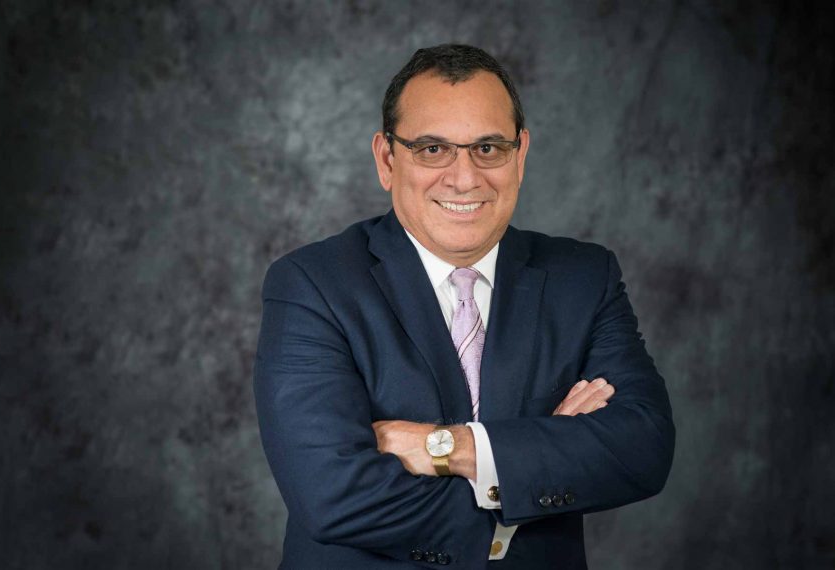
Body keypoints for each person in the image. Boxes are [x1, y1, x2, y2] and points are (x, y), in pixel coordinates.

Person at [253, 44, 675, 569]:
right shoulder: (312, 285)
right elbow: (332, 497)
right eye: (432, 149)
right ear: (387, 159)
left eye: (488, 148)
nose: (465, 178)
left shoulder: (583, 278)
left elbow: (643, 450)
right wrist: (535, 465)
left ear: (520, 155)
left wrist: (446, 447)